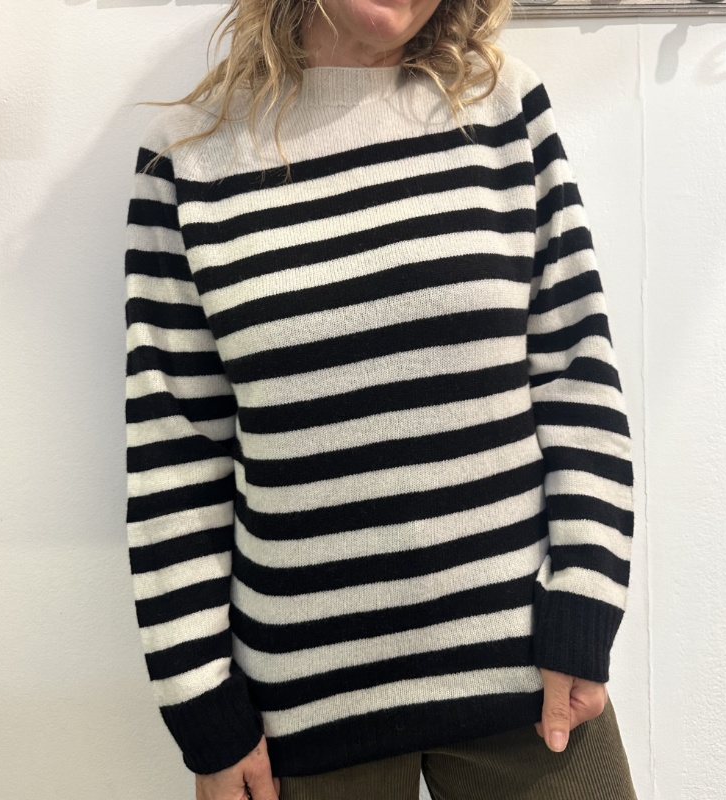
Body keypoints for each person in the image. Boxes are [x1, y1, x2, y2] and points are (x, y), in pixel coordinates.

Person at [123, 0, 638, 798]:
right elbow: (175, 456)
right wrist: (204, 712)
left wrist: (585, 601)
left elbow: (575, 373)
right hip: (301, 715)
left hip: (531, 681)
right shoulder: (187, 160)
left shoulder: (502, 108)